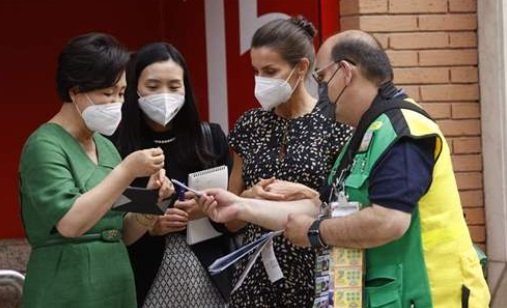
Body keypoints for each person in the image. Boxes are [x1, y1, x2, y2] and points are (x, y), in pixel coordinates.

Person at [282, 30, 491, 307]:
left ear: (345, 72)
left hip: (434, 296)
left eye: (321, 78)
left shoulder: (402, 130)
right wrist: (239, 206)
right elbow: (345, 207)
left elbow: (389, 221)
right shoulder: (367, 132)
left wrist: (315, 231)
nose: (319, 91)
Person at [19, 33, 174, 308]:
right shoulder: (44, 146)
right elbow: (71, 223)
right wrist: (127, 170)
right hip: (66, 283)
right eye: (106, 93)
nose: (116, 102)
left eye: (122, 93)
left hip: (116, 277)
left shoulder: (106, 147)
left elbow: (122, 230)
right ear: (75, 90)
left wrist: (152, 202)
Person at [225, 16, 352, 307]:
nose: (261, 81)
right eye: (256, 71)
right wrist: (248, 197)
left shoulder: (335, 124)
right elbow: (230, 220)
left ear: (301, 68)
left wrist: (309, 197)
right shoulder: (249, 125)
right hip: (256, 276)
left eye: (270, 71)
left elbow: (350, 209)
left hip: (316, 270)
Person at [115, 42, 231, 308]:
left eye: (174, 86)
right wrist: (151, 219)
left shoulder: (210, 138)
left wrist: (207, 208)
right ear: (134, 89)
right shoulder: (116, 144)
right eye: (153, 87)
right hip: (144, 275)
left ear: (186, 89)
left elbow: (234, 209)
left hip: (208, 273)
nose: (164, 95)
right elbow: (110, 204)